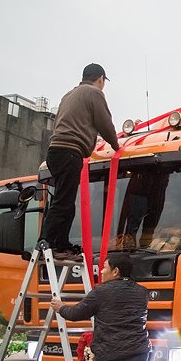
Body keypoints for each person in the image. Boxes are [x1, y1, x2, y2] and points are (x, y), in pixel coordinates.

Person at [40, 63, 120, 260]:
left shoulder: (68, 95)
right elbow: (105, 123)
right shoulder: (94, 93)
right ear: (101, 79)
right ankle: (46, 243)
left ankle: (61, 244)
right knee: (63, 202)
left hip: (55, 152)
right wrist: (116, 146)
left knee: (65, 201)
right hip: (70, 151)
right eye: (103, 82)